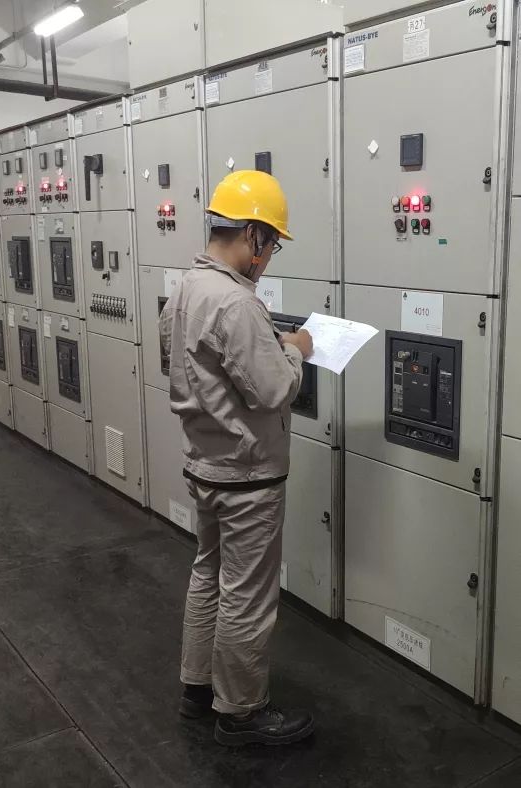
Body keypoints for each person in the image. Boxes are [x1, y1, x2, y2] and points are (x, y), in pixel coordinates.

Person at [159, 170, 314, 747]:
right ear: (252, 235)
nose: (268, 259)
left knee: (208, 574)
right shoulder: (236, 302)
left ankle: (197, 689)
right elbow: (272, 390)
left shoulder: (185, 289)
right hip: (247, 476)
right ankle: (242, 713)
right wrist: (295, 351)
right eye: (271, 245)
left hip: (203, 465)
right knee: (247, 595)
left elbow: (179, 360)